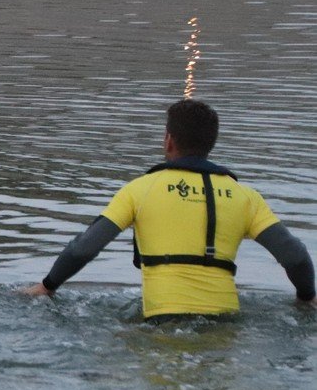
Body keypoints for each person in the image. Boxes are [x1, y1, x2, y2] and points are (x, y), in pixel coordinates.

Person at [23, 99, 314, 318]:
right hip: (226, 323)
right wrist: (305, 297)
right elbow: (296, 257)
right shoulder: (245, 196)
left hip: (161, 321)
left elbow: (84, 248)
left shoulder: (140, 189)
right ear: (210, 144)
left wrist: (47, 286)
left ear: (169, 140)